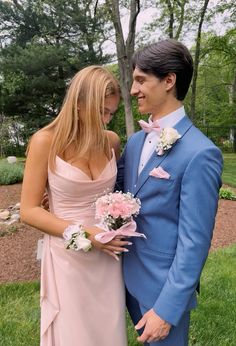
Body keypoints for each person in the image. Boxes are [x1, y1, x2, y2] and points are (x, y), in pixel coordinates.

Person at [117, 39, 223, 345]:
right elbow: (119, 191)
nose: (133, 90)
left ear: (169, 80)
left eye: (140, 80)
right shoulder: (136, 141)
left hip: (162, 291)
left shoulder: (201, 153)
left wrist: (167, 309)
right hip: (126, 280)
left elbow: (195, 242)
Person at [20, 65, 130, 346]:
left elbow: (116, 193)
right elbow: (29, 210)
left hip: (107, 259)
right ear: (79, 105)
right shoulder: (45, 142)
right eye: (101, 112)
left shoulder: (111, 142)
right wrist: (85, 235)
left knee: (108, 331)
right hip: (68, 258)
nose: (106, 120)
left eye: (111, 113)